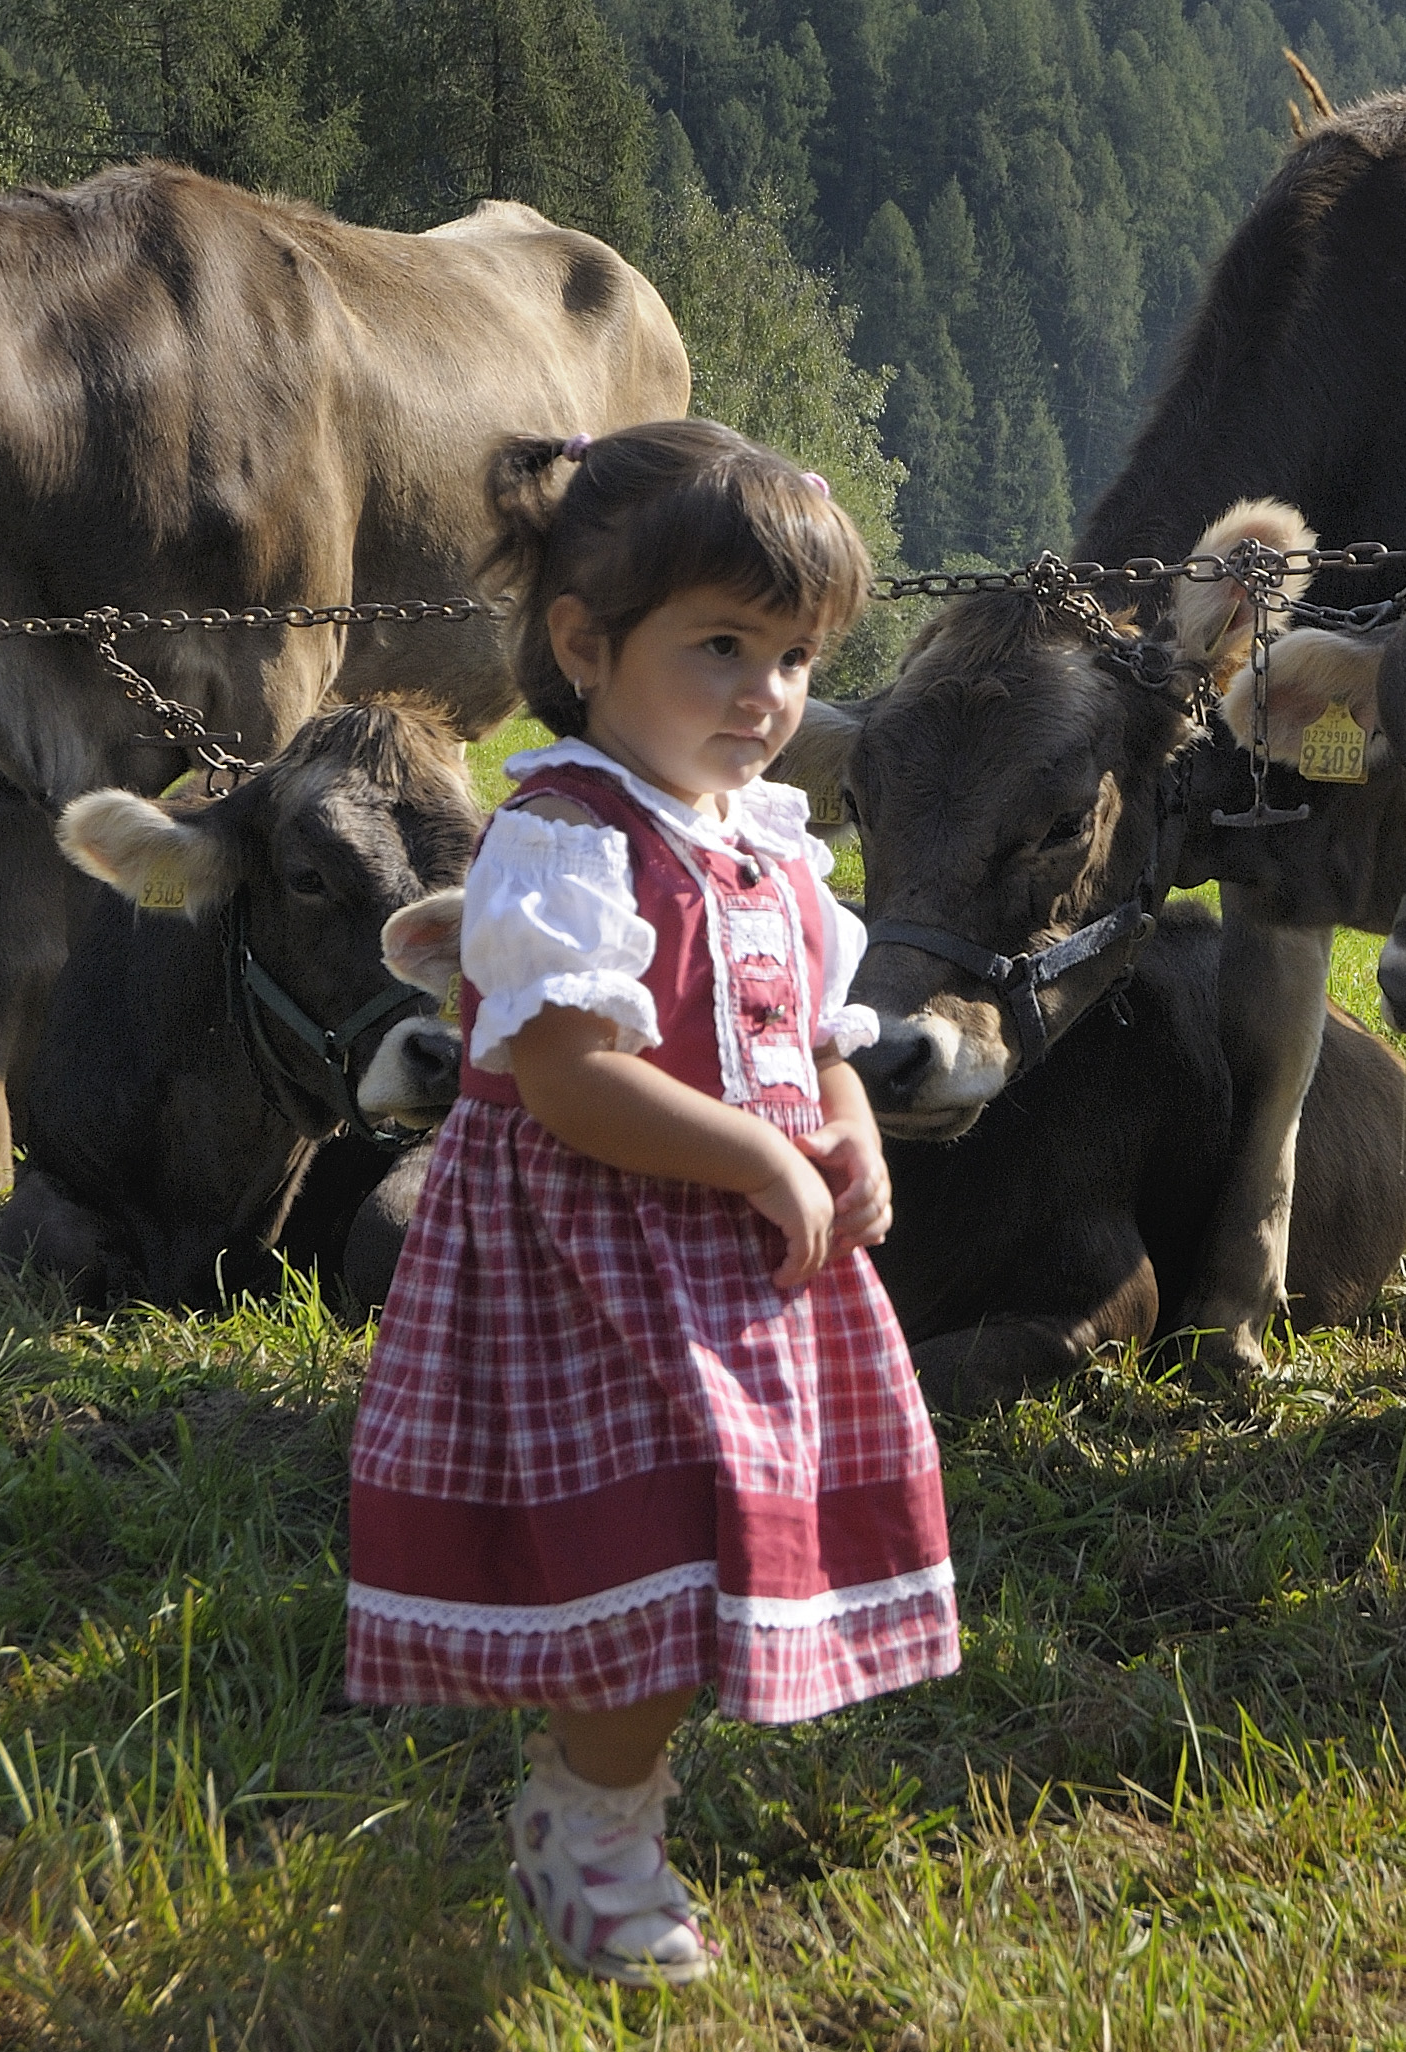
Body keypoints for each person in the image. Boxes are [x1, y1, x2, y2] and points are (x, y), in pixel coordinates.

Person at [344, 420, 960, 1986]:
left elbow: (810, 1030)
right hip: (589, 1256)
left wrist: (838, 1125)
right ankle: (590, 1826)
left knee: (717, 1542)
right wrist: (756, 1157)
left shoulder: (766, 851)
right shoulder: (562, 842)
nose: (767, 697)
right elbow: (563, 1077)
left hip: (734, 1265)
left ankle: (619, 1799)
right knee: (652, 1538)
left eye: (798, 658)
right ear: (582, 645)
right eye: (723, 648)